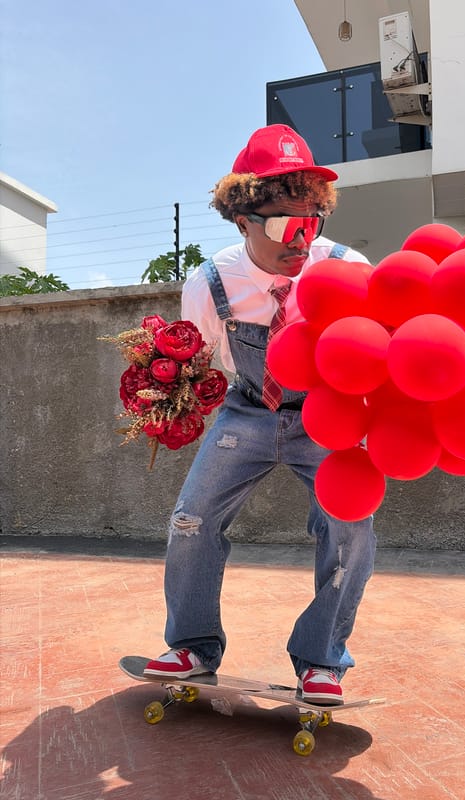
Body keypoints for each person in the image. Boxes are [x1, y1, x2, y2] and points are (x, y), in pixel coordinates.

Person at [144, 124, 377, 705]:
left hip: (327, 416)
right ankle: (193, 646)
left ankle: (322, 658)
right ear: (242, 219)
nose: (299, 239)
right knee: (192, 518)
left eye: (310, 221)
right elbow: (199, 364)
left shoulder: (348, 271)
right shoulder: (212, 283)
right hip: (246, 410)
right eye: (281, 224)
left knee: (351, 529)